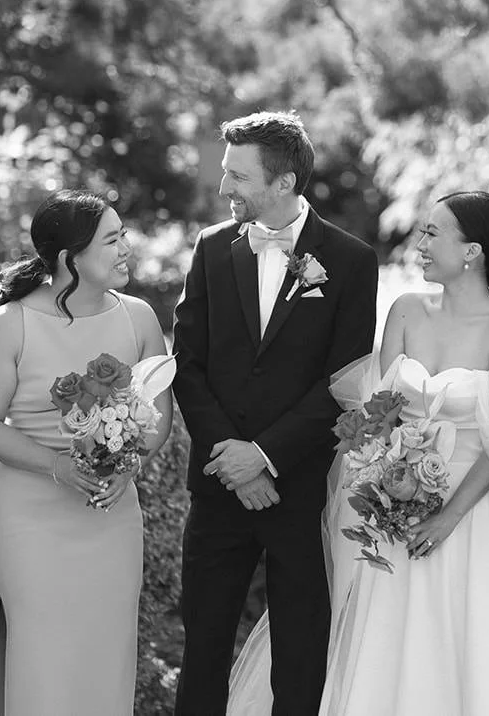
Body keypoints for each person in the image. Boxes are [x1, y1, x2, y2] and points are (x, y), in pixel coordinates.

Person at [173, 111, 379, 716]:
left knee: (301, 648)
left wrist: (263, 456)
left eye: (237, 175)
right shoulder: (212, 249)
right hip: (218, 486)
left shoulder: (351, 260)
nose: (224, 188)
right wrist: (232, 459)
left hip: (301, 486)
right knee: (204, 648)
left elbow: (343, 381)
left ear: (284, 181)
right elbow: (188, 363)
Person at [315, 190, 489, 713]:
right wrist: (382, 484)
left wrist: (445, 519)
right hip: (391, 509)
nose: (421, 242)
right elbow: (380, 410)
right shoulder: (406, 310)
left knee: (458, 646)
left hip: (470, 515)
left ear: (473, 251)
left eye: (433, 233)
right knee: (385, 641)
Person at [0, 190, 173, 715]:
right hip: (29, 514)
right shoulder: (9, 324)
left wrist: (127, 465)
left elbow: (158, 417)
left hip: (110, 512)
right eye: (112, 239)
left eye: (123, 235)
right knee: (43, 652)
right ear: (69, 259)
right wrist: (58, 465)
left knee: (107, 648)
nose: (126, 247)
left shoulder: (140, 318)